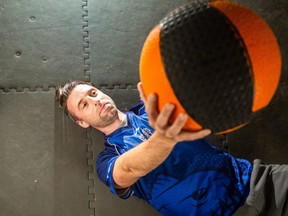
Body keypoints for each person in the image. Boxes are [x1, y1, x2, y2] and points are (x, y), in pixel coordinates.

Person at [55, 80, 288, 216]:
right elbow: (127, 171)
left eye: (93, 92)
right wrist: (165, 137)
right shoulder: (107, 159)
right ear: (82, 122)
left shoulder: (152, 108)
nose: (95, 100)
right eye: (84, 104)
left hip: (257, 182)